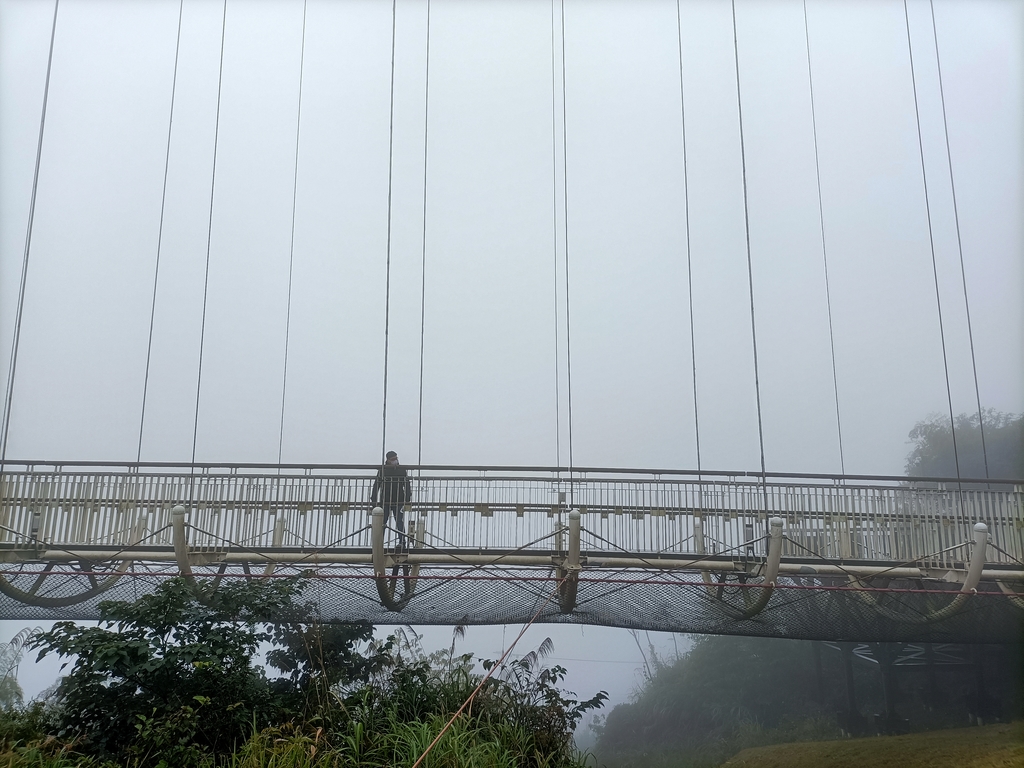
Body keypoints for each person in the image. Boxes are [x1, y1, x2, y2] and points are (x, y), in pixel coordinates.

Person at [370, 451, 411, 548]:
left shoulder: (401, 470)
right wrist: (374, 500)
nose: (395, 461)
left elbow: (407, 484)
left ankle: (402, 542)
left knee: (399, 521)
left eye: (396, 459)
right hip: (386, 500)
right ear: (388, 460)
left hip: (398, 500)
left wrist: (407, 498)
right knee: (383, 521)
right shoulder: (383, 470)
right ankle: (379, 543)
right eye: (393, 459)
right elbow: (377, 485)